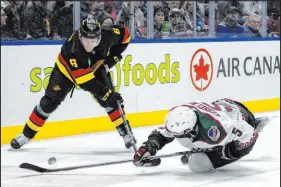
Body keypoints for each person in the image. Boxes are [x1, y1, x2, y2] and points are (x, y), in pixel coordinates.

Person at [10, 12, 136, 150]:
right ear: (80, 36)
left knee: (111, 102)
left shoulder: (109, 34)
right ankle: (26, 135)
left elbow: (126, 35)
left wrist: (112, 58)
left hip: (95, 67)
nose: (90, 44)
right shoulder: (73, 49)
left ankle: (126, 133)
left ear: (100, 36)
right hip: (66, 71)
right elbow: (86, 82)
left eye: (94, 40)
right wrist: (107, 94)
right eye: (86, 40)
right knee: (49, 103)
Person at [133, 98, 273, 172]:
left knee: (197, 165)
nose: (177, 137)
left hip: (242, 118)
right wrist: (146, 149)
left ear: (192, 130)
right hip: (226, 106)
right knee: (195, 147)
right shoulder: (182, 117)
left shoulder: (217, 130)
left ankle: (256, 122)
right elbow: (164, 133)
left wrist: (229, 151)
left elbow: (250, 135)